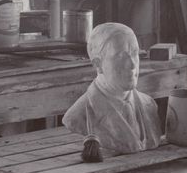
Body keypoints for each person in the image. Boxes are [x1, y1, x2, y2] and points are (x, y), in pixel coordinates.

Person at [61, 22, 164, 155]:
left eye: (134, 53)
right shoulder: (77, 116)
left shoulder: (149, 105)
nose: (132, 65)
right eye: (121, 56)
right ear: (98, 64)